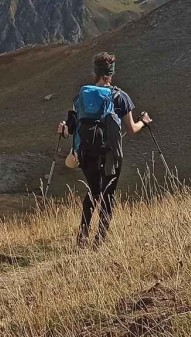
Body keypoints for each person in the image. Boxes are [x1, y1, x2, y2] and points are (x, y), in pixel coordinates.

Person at [57, 51, 150, 248]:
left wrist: (64, 130)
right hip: (109, 155)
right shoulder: (121, 97)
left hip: (85, 152)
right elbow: (132, 129)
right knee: (107, 195)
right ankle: (99, 243)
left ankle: (82, 238)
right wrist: (143, 121)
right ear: (111, 74)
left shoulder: (81, 95)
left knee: (93, 192)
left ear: (95, 72)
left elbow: (71, 128)